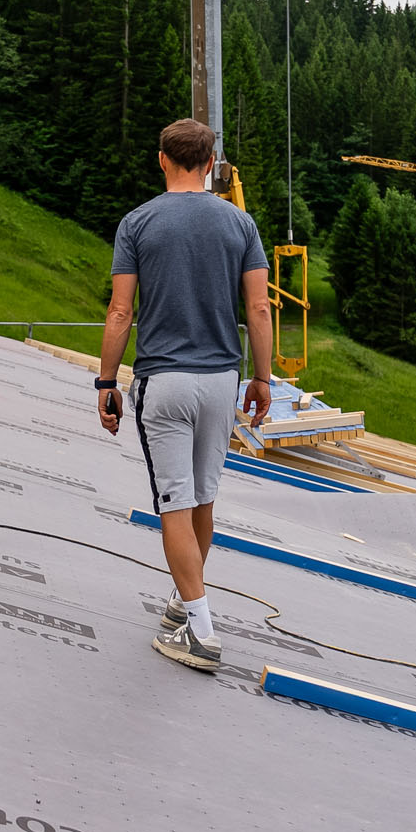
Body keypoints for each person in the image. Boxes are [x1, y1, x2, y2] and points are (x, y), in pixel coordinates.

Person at [96, 118, 274, 672]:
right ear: (211, 162)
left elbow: (121, 310)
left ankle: (200, 631)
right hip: (222, 380)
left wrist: (106, 382)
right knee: (202, 496)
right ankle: (183, 599)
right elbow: (260, 308)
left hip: (164, 381)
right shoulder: (240, 223)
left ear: (162, 160)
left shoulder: (138, 223)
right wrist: (263, 378)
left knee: (172, 499)